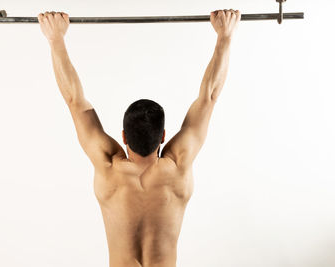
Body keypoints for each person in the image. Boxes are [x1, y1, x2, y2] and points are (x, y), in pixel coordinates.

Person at [38, 9, 241, 267]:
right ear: (163, 137)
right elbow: (209, 97)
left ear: (123, 137)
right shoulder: (179, 164)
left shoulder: (108, 167)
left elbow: (74, 101)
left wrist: (55, 38)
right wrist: (225, 36)